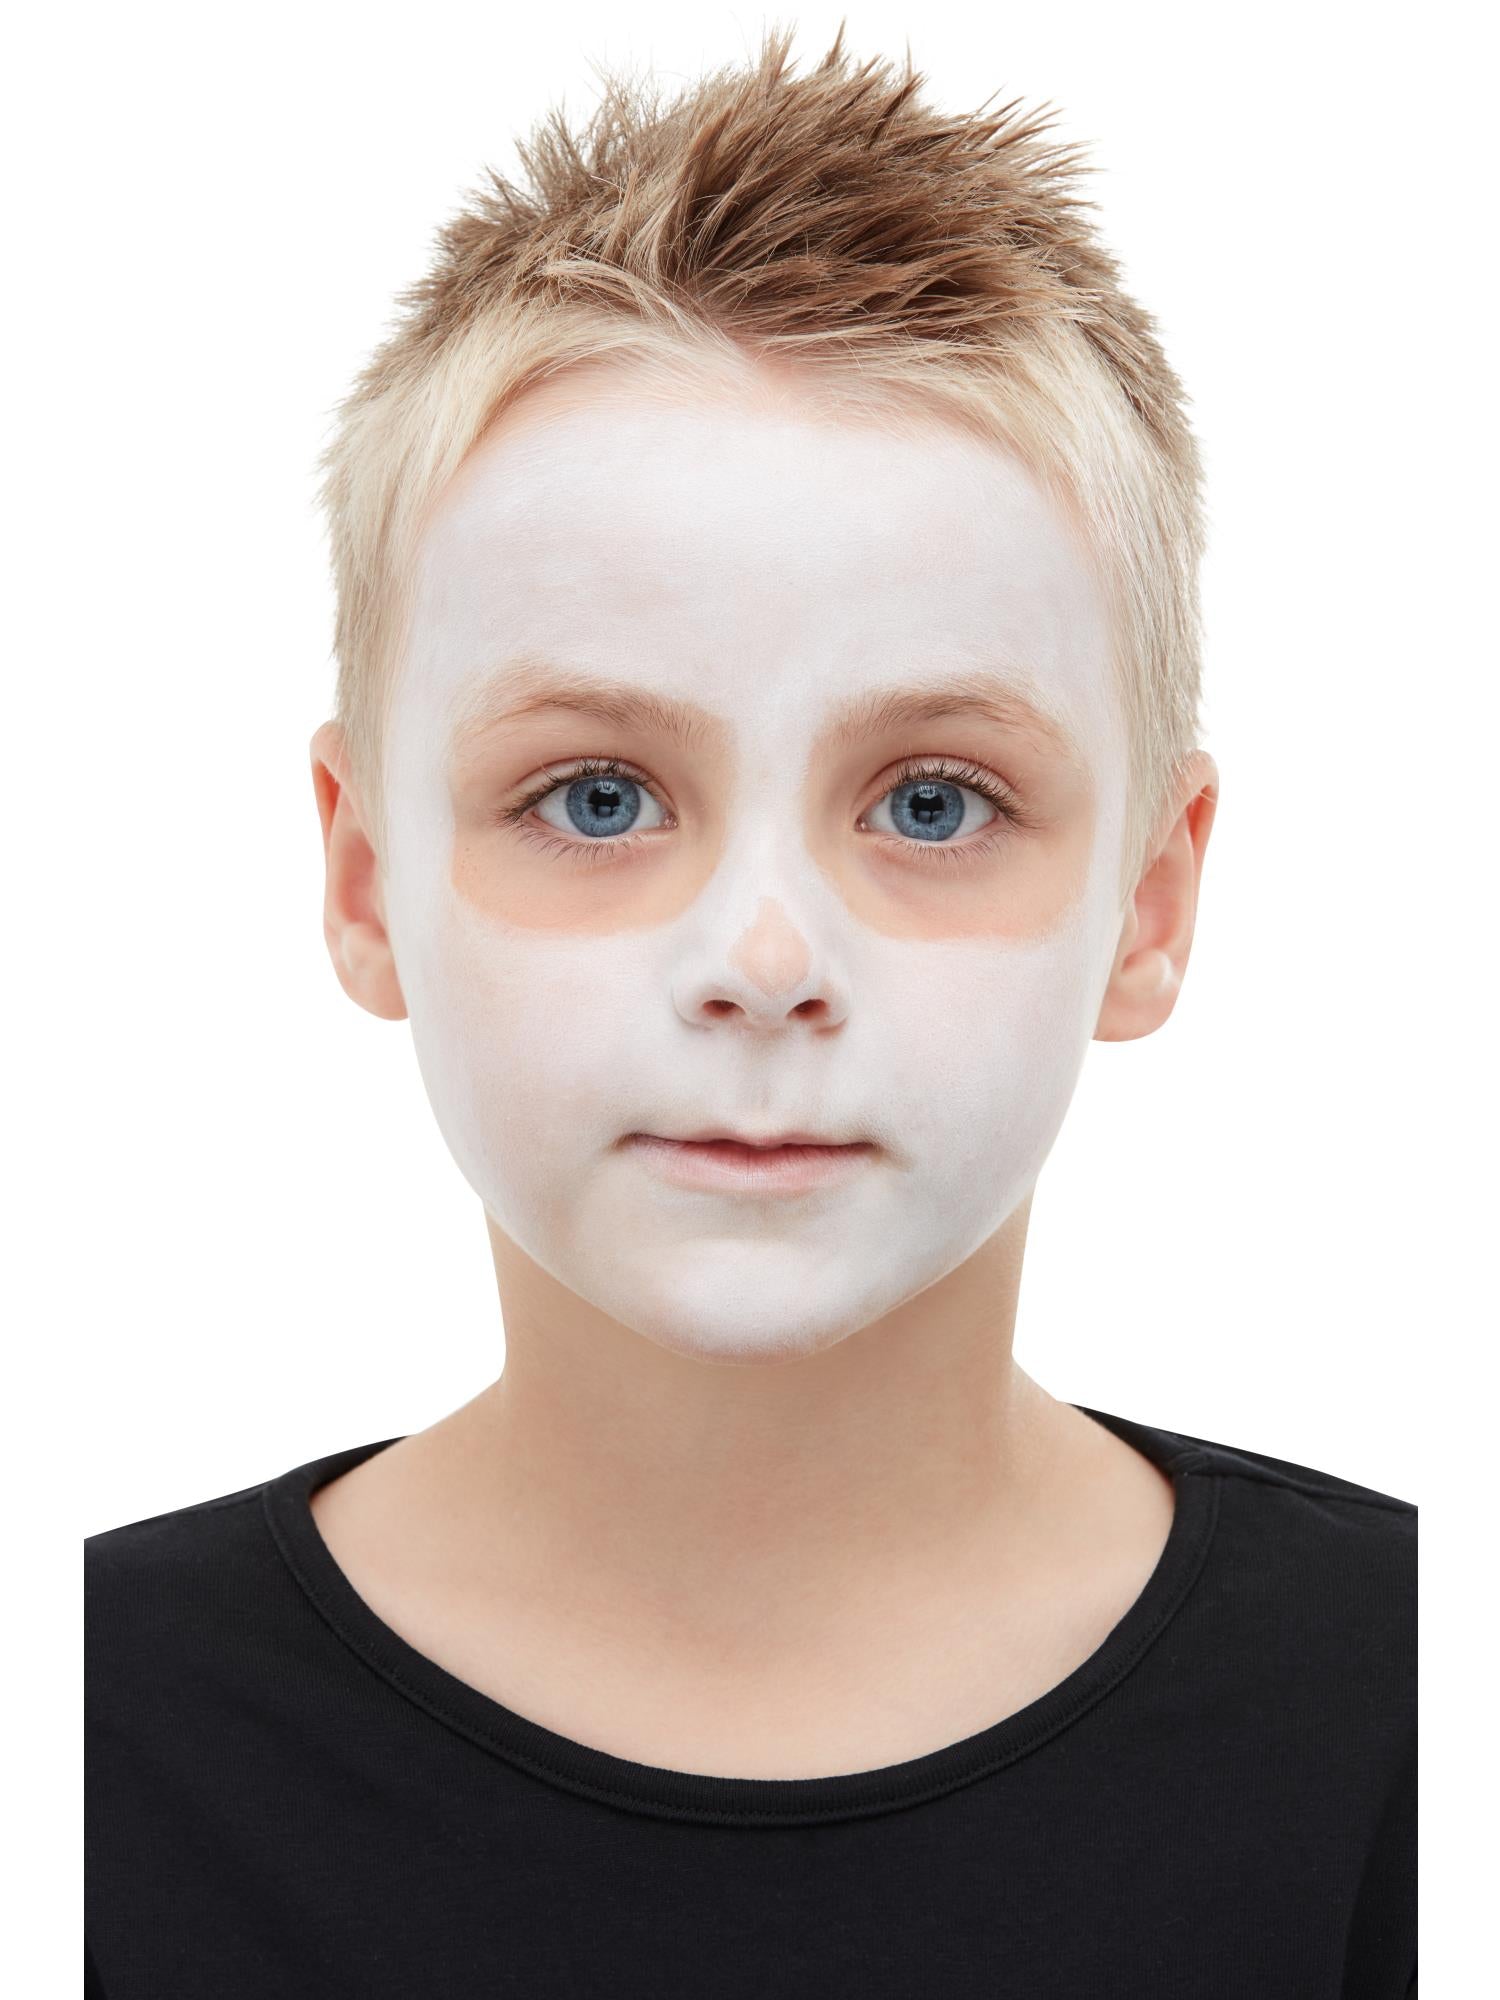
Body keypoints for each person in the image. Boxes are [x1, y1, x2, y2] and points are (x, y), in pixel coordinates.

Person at [84, 25, 1416, 1997]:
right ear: (364, 881)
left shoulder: (1417, 1721)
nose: (765, 956)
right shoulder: (79, 1743)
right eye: (597, 798)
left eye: (933, 802)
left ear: (1151, 900)